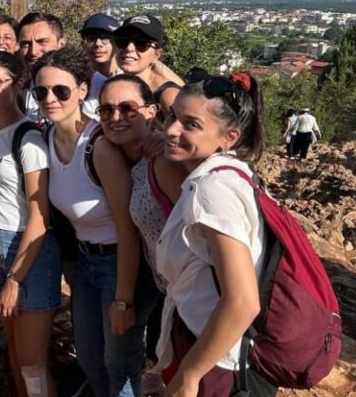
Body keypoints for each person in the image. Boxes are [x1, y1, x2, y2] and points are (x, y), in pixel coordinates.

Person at [34, 47, 154, 397]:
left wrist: (124, 300)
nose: (50, 99)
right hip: (85, 265)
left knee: (120, 364)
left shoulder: (98, 148)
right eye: (41, 92)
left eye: (61, 90)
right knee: (89, 358)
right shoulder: (48, 139)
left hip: (121, 265)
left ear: (82, 90)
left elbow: (128, 228)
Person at [156, 73, 275, 396]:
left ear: (229, 137)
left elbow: (242, 301)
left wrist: (190, 374)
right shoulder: (232, 174)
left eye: (190, 124)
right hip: (209, 347)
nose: (171, 130)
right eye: (172, 116)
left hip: (218, 363)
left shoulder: (213, 189)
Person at [0, 51, 61, 397]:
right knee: (12, 346)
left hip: (29, 250)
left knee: (32, 363)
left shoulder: (29, 139)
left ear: (19, 84)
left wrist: (15, 277)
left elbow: (40, 216)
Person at [97, 75, 188, 393]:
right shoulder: (121, 156)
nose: (116, 117)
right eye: (106, 110)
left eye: (127, 108)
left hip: (193, 294)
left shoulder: (164, 160)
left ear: (151, 112)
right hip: (169, 287)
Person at [113, 15, 184, 116]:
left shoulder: (167, 96)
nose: (129, 48)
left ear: (156, 55)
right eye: (122, 40)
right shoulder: (116, 86)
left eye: (141, 43)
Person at [17, 12, 67, 121]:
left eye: (42, 42)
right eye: (25, 44)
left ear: (61, 44)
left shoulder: (89, 90)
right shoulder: (20, 95)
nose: (33, 51)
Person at [80, 13, 121, 116]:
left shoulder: (130, 78)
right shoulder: (78, 81)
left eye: (105, 38)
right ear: (83, 45)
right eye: (91, 39)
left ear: (117, 43)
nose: (98, 44)